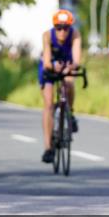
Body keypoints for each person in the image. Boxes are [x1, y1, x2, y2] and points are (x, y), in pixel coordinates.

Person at [38, 9, 82, 163]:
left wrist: (71, 67)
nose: (62, 31)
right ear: (54, 27)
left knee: (69, 83)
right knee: (49, 103)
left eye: (65, 27)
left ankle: (70, 113)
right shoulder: (47, 35)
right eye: (59, 27)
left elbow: (77, 59)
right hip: (49, 67)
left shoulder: (75, 34)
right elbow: (47, 61)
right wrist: (53, 66)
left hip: (67, 65)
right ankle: (48, 147)